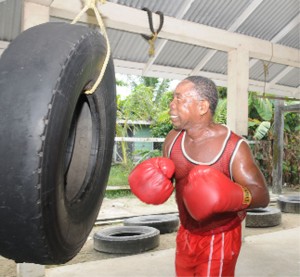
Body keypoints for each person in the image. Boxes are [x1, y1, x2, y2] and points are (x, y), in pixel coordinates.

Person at [128, 76, 270, 277]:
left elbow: (262, 196)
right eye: (173, 98)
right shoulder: (172, 140)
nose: (171, 104)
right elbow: (170, 182)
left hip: (221, 236)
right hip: (185, 233)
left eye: (179, 99)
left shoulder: (233, 147)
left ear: (202, 106)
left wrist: (232, 195)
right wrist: (156, 183)